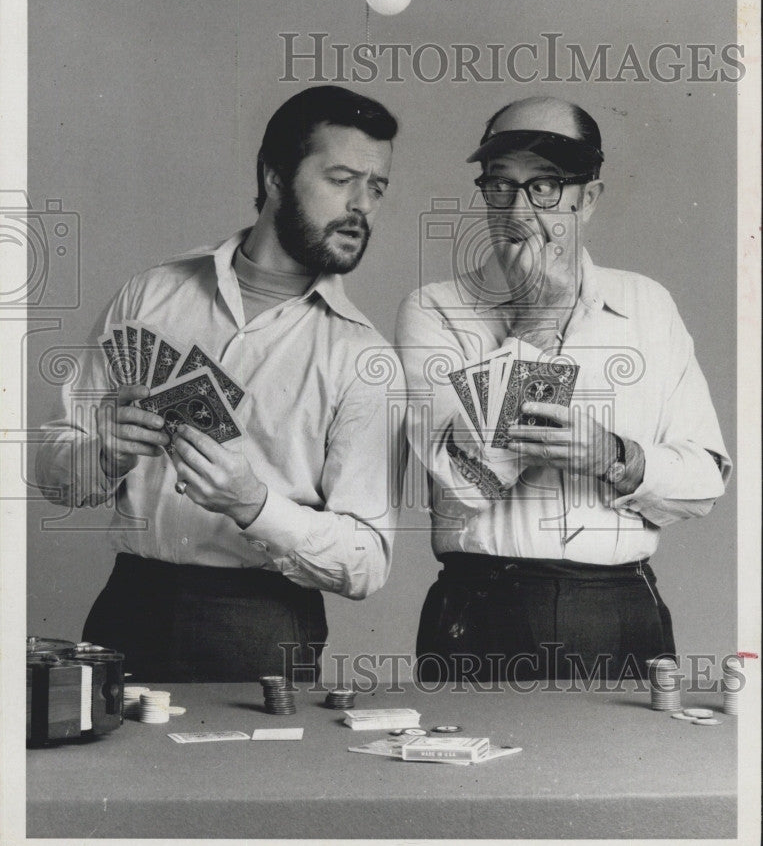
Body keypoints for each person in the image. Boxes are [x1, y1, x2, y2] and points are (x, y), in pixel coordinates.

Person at [36, 85, 402, 682]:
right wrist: (100, 455)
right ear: (275, 175)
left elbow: (367, 564)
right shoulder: (150, 295)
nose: (361, 205)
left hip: (265, 627)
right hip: (128, 606)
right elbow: (52, 473)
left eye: (377, 186)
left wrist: (254, 505)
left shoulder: (365, 358)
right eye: (341, 180)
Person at [396, 96, 731, 683]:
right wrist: (536, 325)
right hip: (483, 606)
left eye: (545, 186)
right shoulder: (435, 309)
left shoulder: (646, 304)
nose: (520, 210)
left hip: (621, 604)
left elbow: (705, 480)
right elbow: (465, 482)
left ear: (589, 198)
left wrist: (617, 459)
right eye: (500, 185)